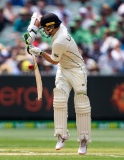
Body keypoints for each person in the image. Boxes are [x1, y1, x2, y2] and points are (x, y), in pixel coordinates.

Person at [24, 12, 91, 155]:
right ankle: (62, 135)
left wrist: (40, 52)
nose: (44, 31)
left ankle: (83, 140)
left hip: (77, 70)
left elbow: (54, 61)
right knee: (59, 100)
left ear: (52, 27)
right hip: (63, 68)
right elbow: (38, 16)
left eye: (45, 29)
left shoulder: (60, 40)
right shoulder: (56, 27)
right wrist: (32, 32)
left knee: (81, 103)